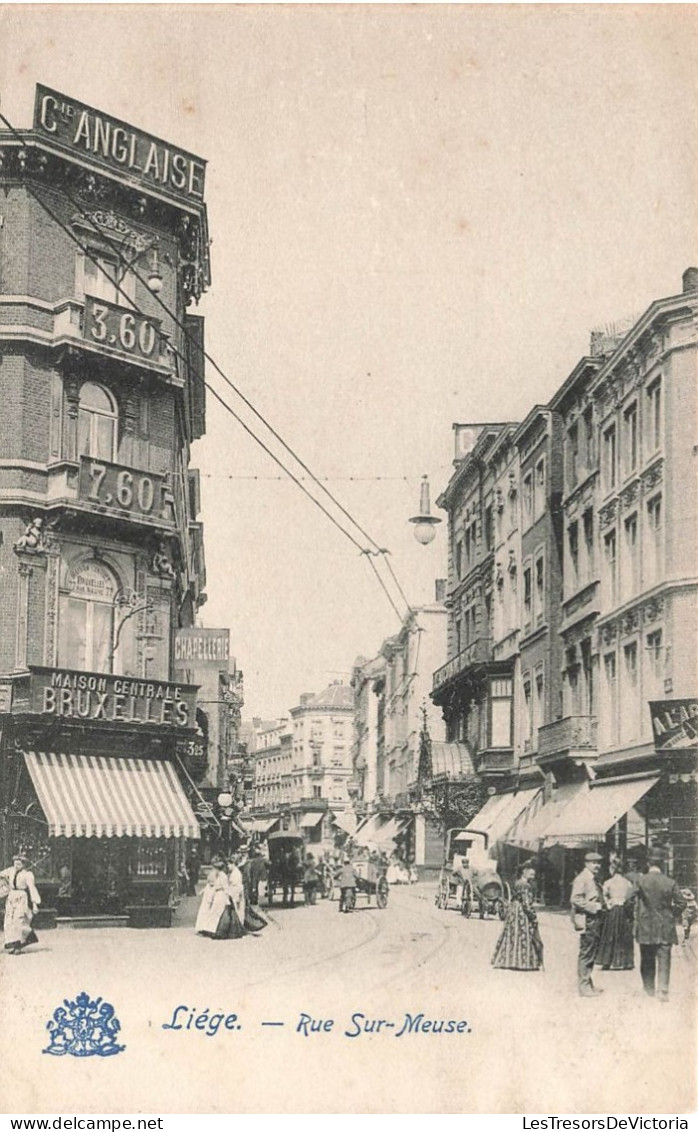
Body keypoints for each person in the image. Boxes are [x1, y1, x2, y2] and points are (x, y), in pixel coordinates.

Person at [635, 847, 685, 1003]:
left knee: (647, 958)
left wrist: (638, 915)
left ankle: (649, 988)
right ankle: (663, 991)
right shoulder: (670, 882)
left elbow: (629, 899)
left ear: (649, 862)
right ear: (662, 864)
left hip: (646, 926)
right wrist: (671, 914)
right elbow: (681, 903)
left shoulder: (640, 880)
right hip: (665, 926)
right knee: (664, 958)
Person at [492, 860, 543, 971]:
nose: (533, 874)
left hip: (514, 910)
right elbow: (526, 904)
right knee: (523, 934)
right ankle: (522, 962)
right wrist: (533, 917)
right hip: (521, 912)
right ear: (524, 871)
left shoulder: (518, 882)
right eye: (531, 872)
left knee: (512, 934)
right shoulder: (525, 885)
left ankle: (509, 960)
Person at [570, 850, 605, 997]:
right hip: (587, 919)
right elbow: (575, 899)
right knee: (586, 953)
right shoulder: (582, 878)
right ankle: (584, 987)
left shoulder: (592, 878)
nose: (597, 866)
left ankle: (588, 983)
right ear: (587, 864)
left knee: (591, 952)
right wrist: (593, 907)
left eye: (598, 863)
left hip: (594, 919)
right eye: (594, 863)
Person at [597, 855, 635, 971]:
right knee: (624, 935)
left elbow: (603, 896)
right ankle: (626, 962)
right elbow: (630, 897)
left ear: (612, 869)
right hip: (623, 910)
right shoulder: (627, 883)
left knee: (610, 935)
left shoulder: (608, 882)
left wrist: (609, 904)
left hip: (613, 910)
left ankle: (607, 961)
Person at [1, 854, 41, 954]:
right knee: (9, 922)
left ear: (23, 864)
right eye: (15, 863)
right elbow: (1, 874)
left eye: (19, 864)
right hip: (11, 896)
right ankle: (13, 945)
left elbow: (32, 888)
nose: (16, 866)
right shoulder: (10, 870)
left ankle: (18, 946)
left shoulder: (27, 875)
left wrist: (35, 904)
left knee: (19, 921)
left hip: (21, 897)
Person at [195, 855, 242, 940]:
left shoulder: (222, 875)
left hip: (221, 895)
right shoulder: (219, 874)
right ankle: (211, 930)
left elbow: (225, 887)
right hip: (217, 895)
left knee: (218, 913)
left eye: (215, 868)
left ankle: (217, 931)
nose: (214, 870)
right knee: (214, 913)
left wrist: (229, 896)